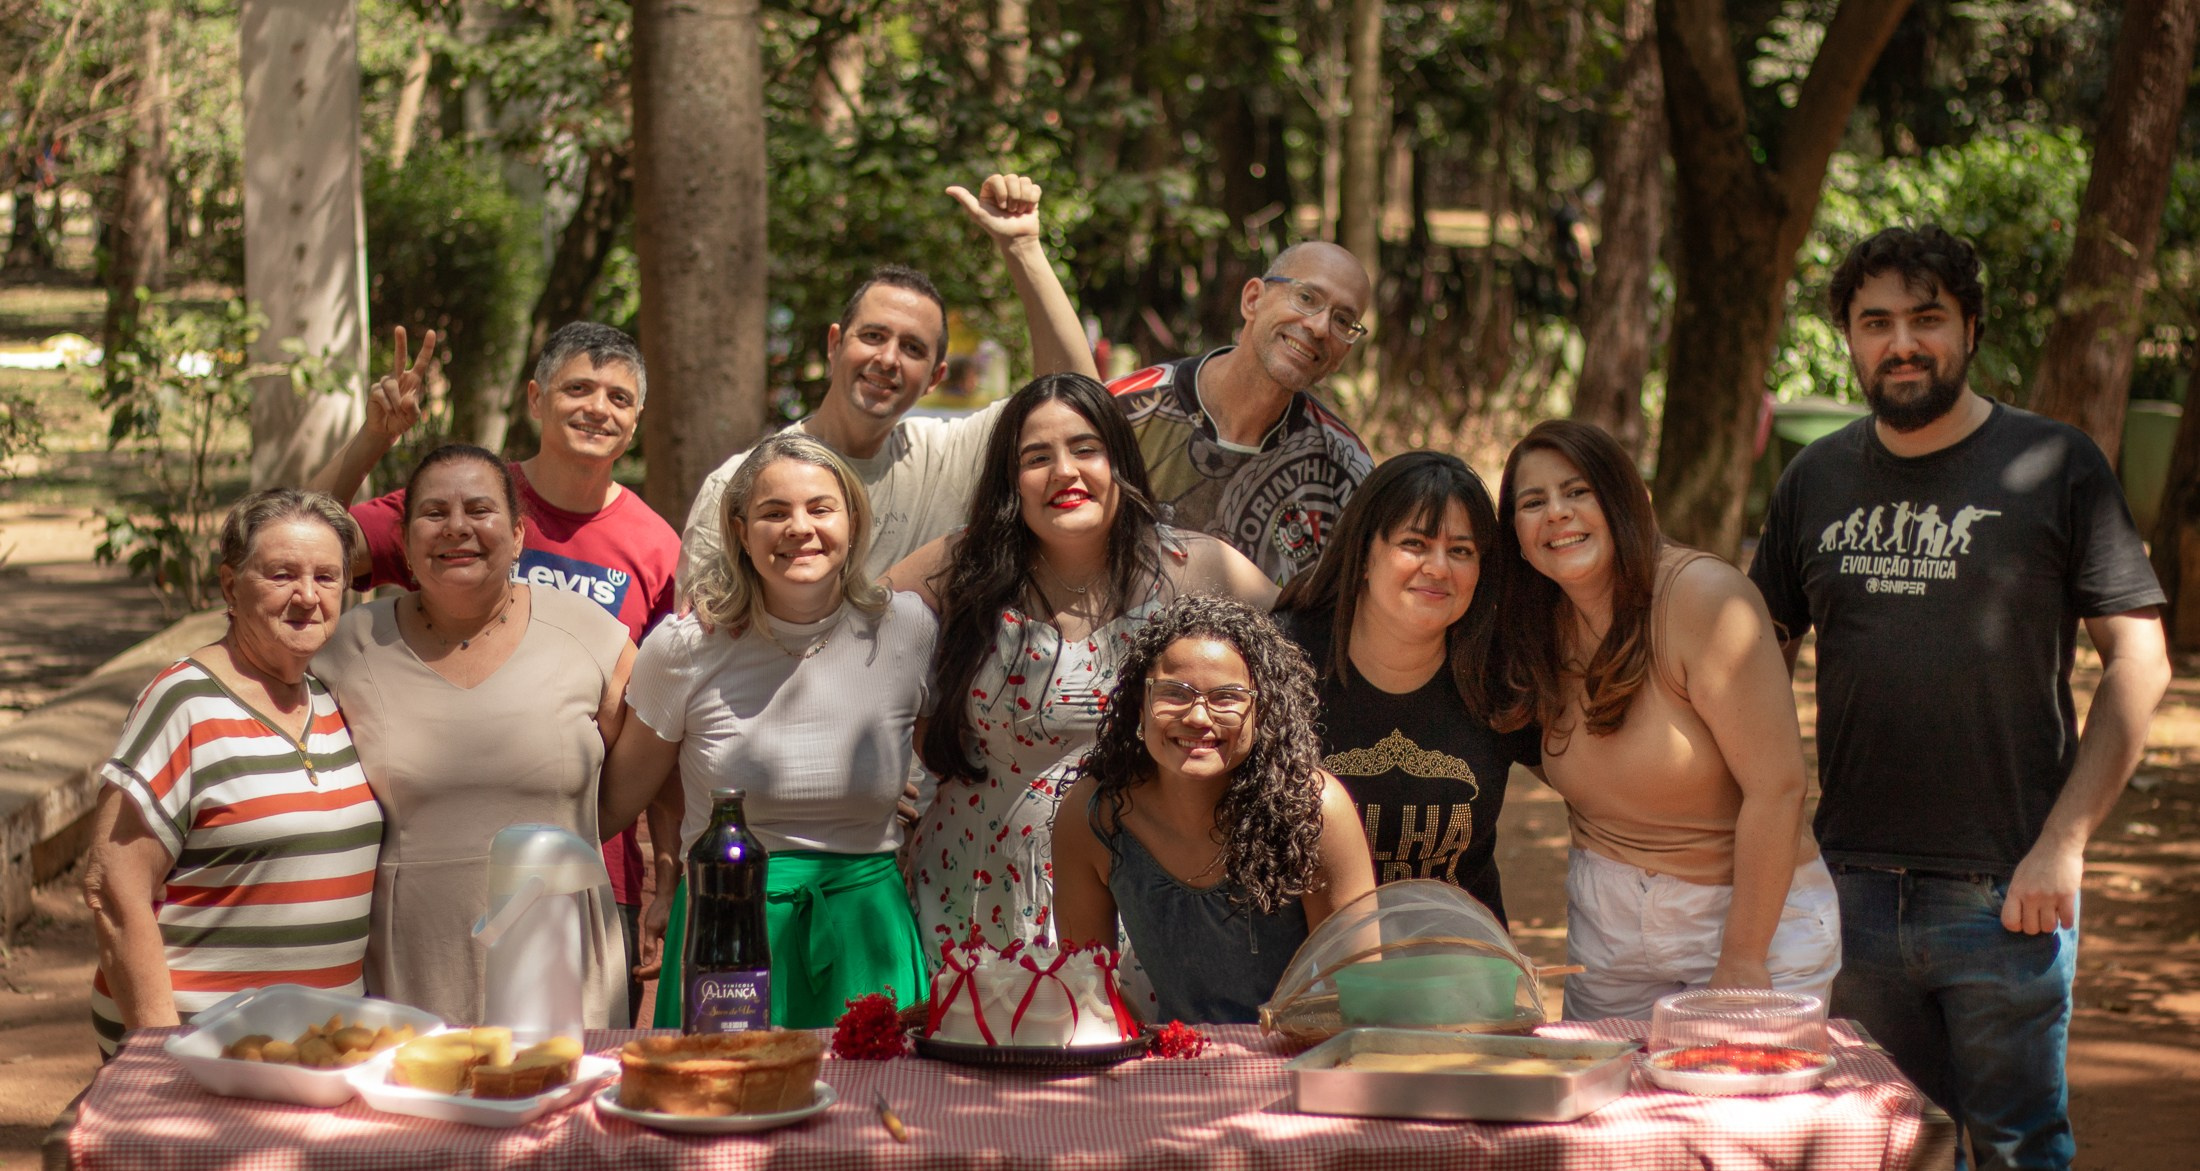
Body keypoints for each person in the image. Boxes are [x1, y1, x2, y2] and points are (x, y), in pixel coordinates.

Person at [1748, 225, 2170, 1171]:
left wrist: (2064, 844)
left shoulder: (2059, 466)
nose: (1902, 342)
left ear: (1971, 329)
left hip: (2009, 892)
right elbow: (1755, 656)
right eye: (1877, 321)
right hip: (1846, 890)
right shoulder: (1814, 478)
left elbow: (2140, 663)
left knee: (2019, 1150)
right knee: (1886, 1149)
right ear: (1850, 339)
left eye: (1927, 318)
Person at [308, 321, 680, 1024]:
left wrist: (666, 863)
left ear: (636, 419)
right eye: (577, 387)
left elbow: (654, 721)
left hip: (584, 862)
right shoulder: (467, 494)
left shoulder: (655, 544)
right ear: (535, 399)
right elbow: (298, 548)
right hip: (426, 882)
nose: (596, 407)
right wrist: (374, 438)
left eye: (618, 397)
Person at [886, 372, 1276, 960]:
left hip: (1125, 900)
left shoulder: (1193, 567)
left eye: (1085, 448)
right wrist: (867, 776)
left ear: (1117, 459)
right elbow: (843, 630)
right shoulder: (962, 564)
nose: (1064, 472)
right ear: (1010, 481)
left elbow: (1310, 646)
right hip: (965, 891)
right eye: (1037, 456)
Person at [1490, 418, 1840, 1021]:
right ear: (1516, 535)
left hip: (1748, 919)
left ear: (1624, 501)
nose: (1557, 514)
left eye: (1578, 492)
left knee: (1735, 1113)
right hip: (1607, 923)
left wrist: (1743, 957)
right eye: (1533, 502)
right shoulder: (1533, 626)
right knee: (1605, 1113)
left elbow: (1778, 787)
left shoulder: (1704, 597)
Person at [600, 434, 935, 1028]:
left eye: (820, 509)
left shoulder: (906, 630)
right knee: (721, 1110)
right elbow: (612, 806)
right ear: (739, 530)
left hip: (865, 932)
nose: (798, 528)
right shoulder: (685, 648)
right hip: (725, 935)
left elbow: (957, 760)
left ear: (853, 522)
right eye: (774, 512)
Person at [678, 173, 1098, 592]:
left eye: (913, 348)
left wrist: (1022, 247)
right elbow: (696, 644)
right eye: (873, 336)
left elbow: (1077, 398)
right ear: (835, 343)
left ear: (935, 378)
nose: (888, 359)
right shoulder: (741, 484)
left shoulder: (945, 458)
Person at [81, 490, 381, 1056]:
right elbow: (114, 887)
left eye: (327, 576)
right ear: (229, 586)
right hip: (203, 1047)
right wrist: (158, 1046)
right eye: (281, 574)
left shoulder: (329, 698)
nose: (307, 596)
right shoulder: (183, 701)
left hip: (316, 1046)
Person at [1053, 596, 1378, 1024]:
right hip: (1163, 1063)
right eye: (1174, 694)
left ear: (1262, 712)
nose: (1198, 717)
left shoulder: (1313, 812)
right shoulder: (1094, 816)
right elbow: (1085, 995)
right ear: (1140, 705)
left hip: (1293, 1062)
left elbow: (1360, 1004)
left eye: (1226, 697)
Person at [1272, 451, 1537, 919]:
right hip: (1309, 971)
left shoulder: (1498, 673)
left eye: (1460, 551)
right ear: (1365, 554)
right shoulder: (1282, 660)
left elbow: (1595, 783)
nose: (1438, 568)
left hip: (1457, 966)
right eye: (1415, 544)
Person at [1106, 241, 1376, 584]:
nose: (1320, 327)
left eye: (1343, 320)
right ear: (1253, 299)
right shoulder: (1127, 411)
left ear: (1344, 353)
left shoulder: (1344, 469)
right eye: (1306, 298)